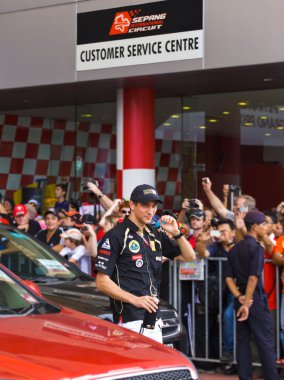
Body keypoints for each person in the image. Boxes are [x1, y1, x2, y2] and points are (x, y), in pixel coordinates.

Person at [95, 184, 195, 343]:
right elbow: (101, 282)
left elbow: (189, 256)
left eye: (154, 206)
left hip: (153, 318)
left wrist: (176, 233)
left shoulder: (155, 233)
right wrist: (136, 300)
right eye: (145, 205)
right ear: (133, 205)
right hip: (129, 320)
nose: (151, 211)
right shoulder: (115, 236)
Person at [225, 210, 279, 380]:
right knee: (265, 342)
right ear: (255, 227)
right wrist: (247, 303)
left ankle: (244, 377)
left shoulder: (234, 249)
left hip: (241, 298)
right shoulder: (257, 248)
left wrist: (239, 297)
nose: (265, 227)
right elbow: (253, 278)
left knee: (242, 341)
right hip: (254, 300)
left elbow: (228, 278)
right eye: (263, 224)